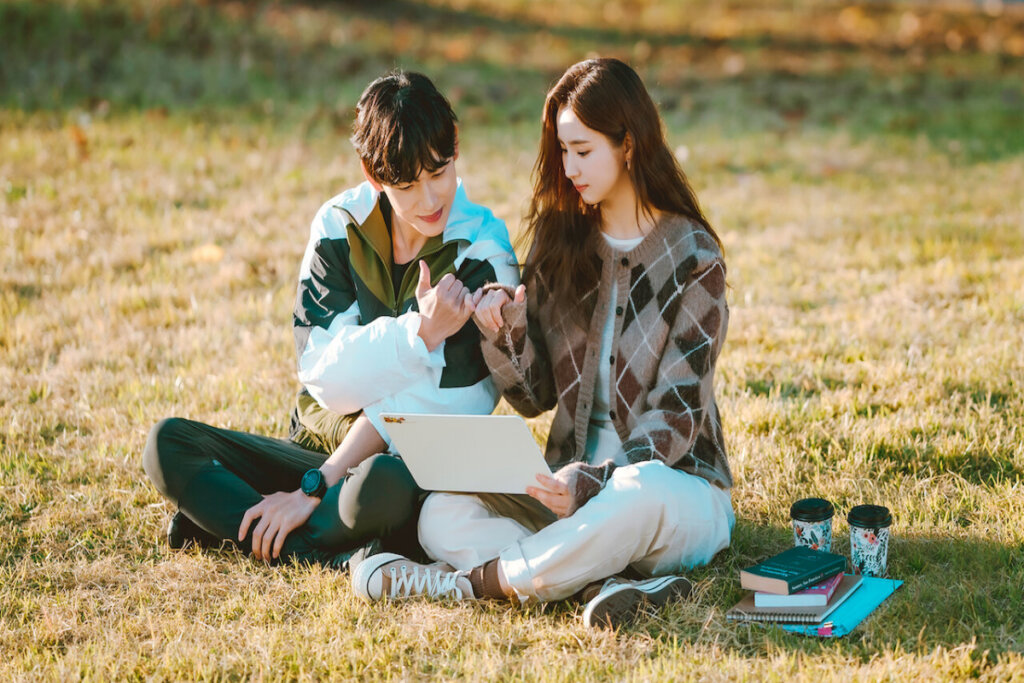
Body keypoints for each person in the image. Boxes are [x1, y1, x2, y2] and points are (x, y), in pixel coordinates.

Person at [352, 58, 735, 628]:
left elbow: (677, 414)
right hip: (564, 490)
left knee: (638, 491)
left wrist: (594, 482)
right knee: (442, 516)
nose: (569, 167)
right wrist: (505, 332)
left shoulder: (694, 256)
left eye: (583, 150)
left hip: (676, 491)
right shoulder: (563, 242)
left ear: (627, 144)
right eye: (562, 150)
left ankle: (468, 586)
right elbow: (536, 397)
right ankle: (601, 582)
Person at [142, 71, 518, 568]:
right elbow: (325, 377)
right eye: (406, 185)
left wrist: (314, 488)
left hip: (397, 470)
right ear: (372, 174)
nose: (430, 200)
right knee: (167, 443)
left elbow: (447, 407)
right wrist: (420, 335)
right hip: (312, 452)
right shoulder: (338, 225)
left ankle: (240, 525)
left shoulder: (484, 252)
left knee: (386, 482)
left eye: (440, 172)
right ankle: (331, 545)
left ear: (456, 151)